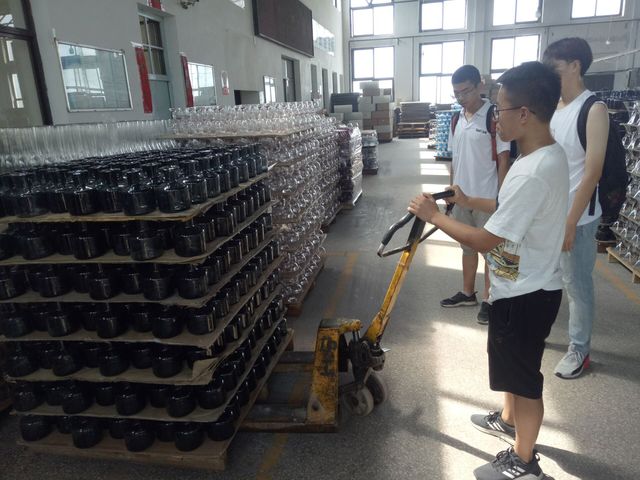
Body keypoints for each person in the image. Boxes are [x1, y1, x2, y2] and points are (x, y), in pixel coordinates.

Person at [409, 61, 568, 480]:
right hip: (518, 284)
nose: (495, 118)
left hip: (526, 293)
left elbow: (483, 240)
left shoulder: (533, 171)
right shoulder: (539, 157)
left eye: (500, 109)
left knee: (524, 379)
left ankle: (524, 460)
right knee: (511, 367)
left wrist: (433, 216)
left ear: (524, 114)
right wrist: (467, 200)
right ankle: (509, 421)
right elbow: (504, 208)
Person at [543, 37, 608, 379]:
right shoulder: (554, 109)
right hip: (549, 215)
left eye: (554, 69)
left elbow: (592, 171)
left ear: (575, 66)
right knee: (547, 277)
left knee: (577, 285)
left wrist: (570, 221)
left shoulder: (593, 109)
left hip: (578, 218)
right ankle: (543, 330)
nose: (550, 76)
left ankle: (580, 350)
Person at [442, 65, 511, 325]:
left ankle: (491, 300)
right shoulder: (457, 119)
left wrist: (502, 199)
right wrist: (450, 190)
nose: (461, 98)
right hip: (461, 198)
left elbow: (503, 160)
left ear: (480, 86)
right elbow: (454, 159)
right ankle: (467, 293)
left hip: (486, 199)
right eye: (457, 93)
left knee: (493, 252)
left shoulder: (494, 117)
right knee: (467, 247)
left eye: (466, 91)